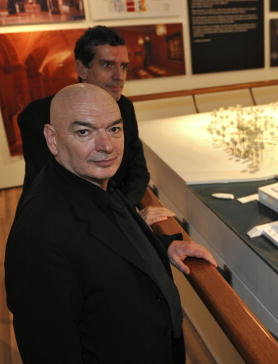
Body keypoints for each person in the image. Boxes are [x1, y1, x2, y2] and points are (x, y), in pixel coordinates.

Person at [5, 83, 217, 363]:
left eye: (114, 129)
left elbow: (109, 241)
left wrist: (160, 247)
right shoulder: (40, 234)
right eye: (84, 132)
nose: (106, 146)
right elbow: (49, 351)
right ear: (52, 139)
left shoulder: (92, 179)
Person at [18, 26, 150, 209]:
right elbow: (53, 187)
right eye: (107, 65)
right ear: (82, 69)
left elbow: (138, 170)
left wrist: (124, 213)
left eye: (124, 66)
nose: (119, 76)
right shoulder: (38, 115)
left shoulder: (124, 107)